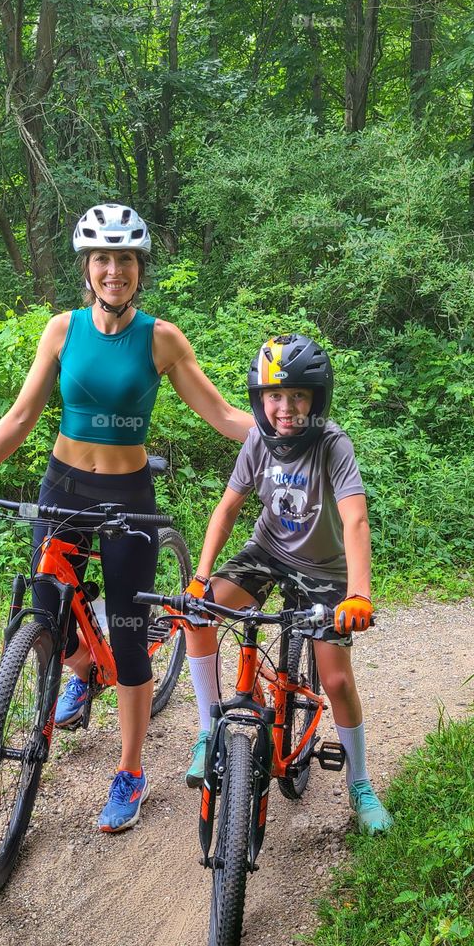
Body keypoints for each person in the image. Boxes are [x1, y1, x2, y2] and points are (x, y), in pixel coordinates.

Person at [0, 203, 253, 833]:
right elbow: (20, 418)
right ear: (87, 267)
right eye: (102, 258)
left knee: (127, 635)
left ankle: (130, 770)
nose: (113, 270)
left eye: (125, 259)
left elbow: (222, 414)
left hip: (128, 496)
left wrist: (290, 434)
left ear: (138, 268)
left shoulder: (162, 338)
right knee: (51, 614)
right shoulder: (60, 330)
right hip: (63, 485)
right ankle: (78, 672)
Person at [182, 333, 392, 834]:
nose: (285, 408)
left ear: (317, 400)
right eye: (274, 396)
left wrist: (359, 593)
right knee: (198, 614)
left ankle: (360, 784)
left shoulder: (332, 443)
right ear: (260, 399)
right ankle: (209, 731)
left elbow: (356, 521)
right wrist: (200, 577)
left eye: (298, 396)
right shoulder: (257, 440)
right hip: (267, 553)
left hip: (325, 569)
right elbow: (228, 508)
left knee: (336, 679)